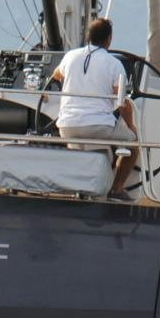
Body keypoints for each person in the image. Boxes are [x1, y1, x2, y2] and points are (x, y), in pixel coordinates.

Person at [47, 17, 139, 202]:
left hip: (66, 126)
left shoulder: (70, 56)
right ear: (109, 39)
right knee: (133, 144)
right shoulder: (114, 64)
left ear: (88, 37)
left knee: (76, 140)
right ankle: (116, 190)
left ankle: (78, 189)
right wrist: (131, 126)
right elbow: (122, 103)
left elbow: (56, 75)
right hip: (98, 126)